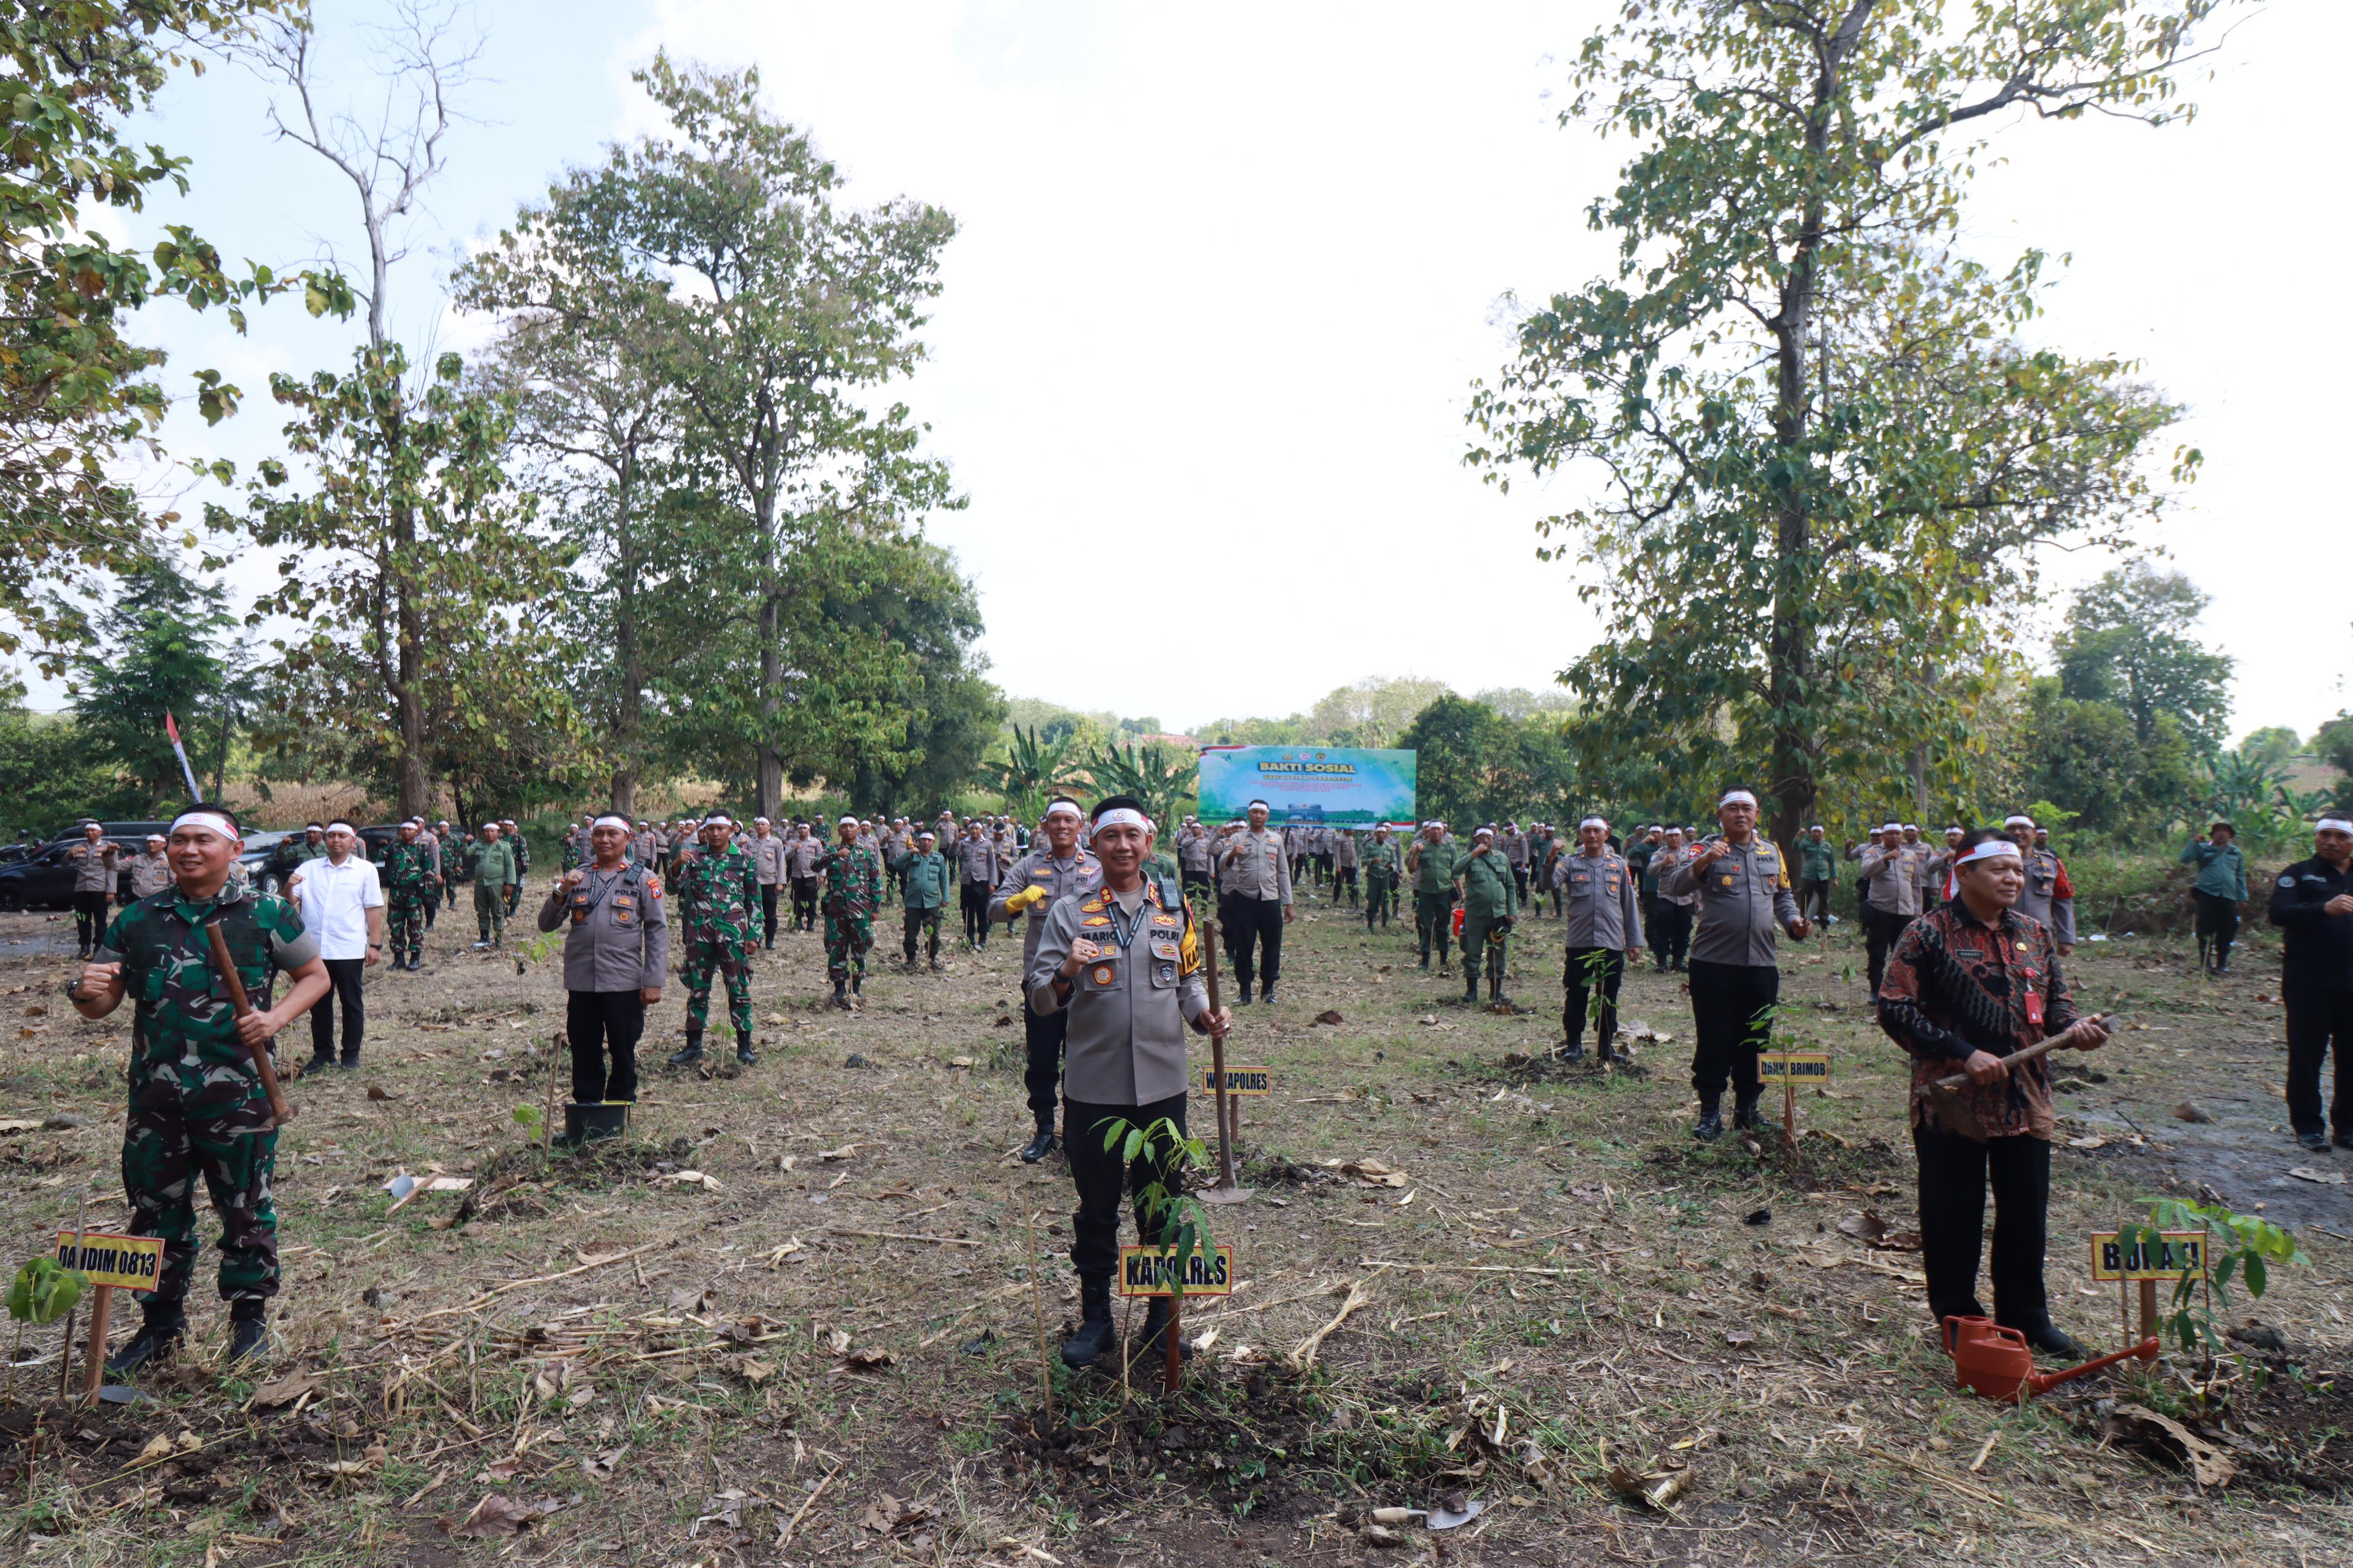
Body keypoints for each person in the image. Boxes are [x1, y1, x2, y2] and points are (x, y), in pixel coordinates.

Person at [70, 807, 331, 1369]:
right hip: (157, 1099)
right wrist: (81, 987)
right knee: (155, 1209)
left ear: (233, 851)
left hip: (238, 1094)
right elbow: (101, 1005)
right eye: (181, 840)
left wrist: (274, 1019)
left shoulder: (265, 913)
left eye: (203, 841)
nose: (189, 850)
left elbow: (315, 977)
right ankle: (159, 1329)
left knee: (245, 1207)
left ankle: (249, 1323)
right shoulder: (137, 919)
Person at [1878, 828, 2110, 1360]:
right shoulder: (1926, 934)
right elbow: (1894, 1009)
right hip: (1953, 1104)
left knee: (2026, 1212)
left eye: (2018, 869)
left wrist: (2078, 1030)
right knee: (1953, 1211)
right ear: (1963, 874)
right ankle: (1959, 1316)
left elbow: (2058, 1009)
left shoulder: (2034, 932)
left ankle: (2027, 1317)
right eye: (1999, 869)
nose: (2013, 878)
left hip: (2027, 1102)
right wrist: (1963, 1053)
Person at [1025, 796, 1230, 1368]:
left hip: (1163, 1086)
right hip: (1094, 1090)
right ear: (1094, 845)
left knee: (1161, 1205)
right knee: (1095, 1207)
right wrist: (1067, 969)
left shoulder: (1173, 909)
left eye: (1131, 837)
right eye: (1110, 836)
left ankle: (1161, 1320)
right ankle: (1096, 1321)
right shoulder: (1069, 913)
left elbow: (1186, 980)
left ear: (1147, 843)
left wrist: (1205, 1014)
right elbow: (1041, 1000)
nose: (1121, 846)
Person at [1659, 789, 1808, 1141]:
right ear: (1720, 815)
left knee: (1756, 1037)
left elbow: (1783, 896)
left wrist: (1795, 923)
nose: (1740, 814)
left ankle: (1748, 1109)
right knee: (1715, 1036)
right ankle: (1710, 1111)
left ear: (1757, 813)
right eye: (1733, 809)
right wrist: (1704, 861)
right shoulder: (1706, 847)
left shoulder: (1770, 851)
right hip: (1713, 963)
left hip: (1761, 962)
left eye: (1747, 808)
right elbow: (1674, 884)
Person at [992, 798, 1104, 1160]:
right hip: (1041, 980)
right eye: (1055, 821)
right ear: (1044, 826)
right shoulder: (1030, 865)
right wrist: (1017, 902)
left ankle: (1076, 1132)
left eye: (1068, 821)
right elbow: (994, 908)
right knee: (1042, 1058)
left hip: (1088, 981)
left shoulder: (1099, 868)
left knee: (1082, 1057)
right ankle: (1044, 1131)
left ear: (1081, 825)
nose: (1061, 827)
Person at [540, 814, 667, 1106]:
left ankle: (619, 1114)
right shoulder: (578, 877)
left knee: (623, 1050)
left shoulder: (644, 879)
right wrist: (562, 890)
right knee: (584, 1049)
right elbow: (546, 925)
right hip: (583, 981)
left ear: (628, 839)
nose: (605, 840)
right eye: (599, 834)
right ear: (591, 838)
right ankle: (587, 1113)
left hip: (623, 981)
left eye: (613, 834)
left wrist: (654, 981)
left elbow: (658, 930)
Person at [2268, 817, 2353, 1152]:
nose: (2331, 842)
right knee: (2307, 1056)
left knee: (2350, 1058)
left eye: (2341, 836)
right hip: (2309, 982)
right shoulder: (2298, 873)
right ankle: (2308, 1128)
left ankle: (2347, 1128)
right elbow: (2278, 913)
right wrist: (2323, 909)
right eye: (2324, 835)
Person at [285, 821, 385, 1072]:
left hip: (348, 948)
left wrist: (375, 945)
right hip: (314, 950)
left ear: (354, 842)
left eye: (342, 836)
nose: (336, 840)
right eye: (331, 836)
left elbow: (372, 908)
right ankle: (323, 1054)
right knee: (319, 1005)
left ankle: (351, 1055)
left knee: (351, 1003)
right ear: (325, 840)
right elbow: (289, 903)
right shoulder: (309, 868)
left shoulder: (365, 870)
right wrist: (288, 885)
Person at [668, 814, 761, 1066]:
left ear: (731, 830)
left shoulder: (745, 858)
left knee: (739, 989)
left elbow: (754, 900)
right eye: (711, 829)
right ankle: (693, 1047)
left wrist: (754, 935)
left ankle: (744, 1047)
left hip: (733, 935)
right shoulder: (694, 856)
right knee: (698, 991)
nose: (716, 833)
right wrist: (676, 865)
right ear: (705, 831)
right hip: (700, 935)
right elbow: (672, 888)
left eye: (721, 828)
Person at [1553, 816, 1641, 1061]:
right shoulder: (1570, 863)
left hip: (1611, 942)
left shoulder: (1618, 865)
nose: (1592, 836)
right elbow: (1547, 883)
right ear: (1580, 835)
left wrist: (1634, 941)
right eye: (1587, 831)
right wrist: (1550, 859)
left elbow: (1629, 904)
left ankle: (1605, 1047)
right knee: (1577, 994)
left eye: (1597, 831)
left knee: (1609, 996)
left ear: (1607, 834)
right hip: (1580, 943)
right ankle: (1574, 1045)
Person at [1217, 800, 1293, 1006]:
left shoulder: (1275, 839)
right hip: (1245, 899)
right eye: (1254, 812)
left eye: (1262, 813)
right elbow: (1222, 865)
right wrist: (1233, 853)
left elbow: (1283, 872)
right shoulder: (1237, 838)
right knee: (1244, 946)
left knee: (1272, 946)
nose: (1258, 816)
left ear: (1267, 817)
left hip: (1270, 900)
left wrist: (1289, 903)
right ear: (1249, 815)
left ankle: (1268, 991)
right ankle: (1245, 992)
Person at [816, 814, 884, 1010]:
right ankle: (839, 988)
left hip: (860, 910)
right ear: (839, 831)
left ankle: (857, 988)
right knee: (836, 950)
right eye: (844, 826)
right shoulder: (832, 851)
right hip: (837, 911)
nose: (848, 830)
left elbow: (876, 881)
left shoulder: (867, 853)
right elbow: (815, 865)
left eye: (851, 826)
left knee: (860, 949)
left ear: (858, 829)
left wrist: (875, 907)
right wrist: (834, 856)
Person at [1861, 819, 1925, 1002]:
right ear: (1883, 835)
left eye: (1898, 833)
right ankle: (1875, 990)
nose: (1895, 837)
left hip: (1905, 912)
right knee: (1877, 953)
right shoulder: (1873, 852)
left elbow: (1916, 884)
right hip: (1880, 910)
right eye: (1890, 833)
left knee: (1903, 954)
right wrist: (1884, 859)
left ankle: (1900, 990)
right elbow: (1865, 871)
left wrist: (1917, 912)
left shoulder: (1910, 855)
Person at [1454, 826, 1516, 1006]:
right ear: (1475, 840)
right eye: (1481, 837)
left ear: (1494, 839)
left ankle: (1496, 991)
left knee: (1498, 951)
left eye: (1489, 837)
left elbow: (1511, 886)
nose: (1486, 841)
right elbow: (1455, 871)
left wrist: (1512, 911)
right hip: (1475, 914)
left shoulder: (1501, 859)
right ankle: (1472, 991)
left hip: (1498, 915)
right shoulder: (1469, 859)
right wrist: (1474, 854)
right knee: (1473, 950)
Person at [2182, 821, 2247, 975]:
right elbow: (2185, 859)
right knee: (2205, 927)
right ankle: (2205, 963)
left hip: (2229, 895)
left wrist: (2242, 896)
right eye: (2218, 830)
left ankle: (2222, 964)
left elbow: (2240, 875)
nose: (2222, 833)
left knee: (2228, 928)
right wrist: (2194, 843)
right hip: (2207, 893)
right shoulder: (2203, 849)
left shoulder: (2235, 853)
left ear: (2230, 835)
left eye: (2225, 831)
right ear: (2213, 834)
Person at [2005, 815, 2077, 954]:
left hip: (2041, 938)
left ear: (2034, 834)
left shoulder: (2051, 863)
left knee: (2041, 975)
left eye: (2023, 828)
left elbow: (2063, 901)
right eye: (2011, 828)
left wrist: (2066, 938)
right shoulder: (1993, 863)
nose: (2017, 832)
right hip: (2003, 935)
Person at [378, 820, 434, 971]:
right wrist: (384, 846)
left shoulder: (422, 849)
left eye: (410, 830)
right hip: (396, 894)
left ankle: (415, 958)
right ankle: (399, 959)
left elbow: (429, 872)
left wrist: (428, 893)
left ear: (416, 832)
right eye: (403, 830)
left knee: (415, 927)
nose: (406, 832)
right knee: (396, 926)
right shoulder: (394, 847)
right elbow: (379, 857)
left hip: (414, 895)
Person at [895, 829, 951, 970]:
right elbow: (896, 865)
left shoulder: (938, 858)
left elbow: (944, 879)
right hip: (913, 901)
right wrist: (909, 853)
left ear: (933, 842)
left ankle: (932, 959)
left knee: (933, 931)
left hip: (931, 902)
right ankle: (911, 959)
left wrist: (946, 897)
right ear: (918, 842)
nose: (926, 843)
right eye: (923, 840)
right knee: (911, 931)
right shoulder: (913, 856)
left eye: (929, 840)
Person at [1407, 821, 1458, 973]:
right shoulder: (1421, 847)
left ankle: (1443, 958)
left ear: (1444, 832)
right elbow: (1411, 869)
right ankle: (1425, 959)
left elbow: (1456, 871)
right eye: (1433, 829)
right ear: (1427, 831)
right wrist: (1415, 853)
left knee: (1443, 927)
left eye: (1439, 829)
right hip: (1426, 892)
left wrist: (1461, 892)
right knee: (1426, 926)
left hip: (1445, 891)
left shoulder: (1450, 848)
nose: (1436, 832)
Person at [65, 821, 119, 958]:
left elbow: (112, 869)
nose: (89, 833)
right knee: (82, 919)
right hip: (82, 888)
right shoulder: (78, 847)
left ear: (101, 832)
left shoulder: (108, 847)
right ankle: (84, 947)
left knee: (100, 920)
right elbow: (63, 863)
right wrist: (70, 855)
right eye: (87, 831)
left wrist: (111, 890)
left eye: (93, 830)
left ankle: (99, 948)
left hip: (99, 888)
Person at [460, 822, 517, 949]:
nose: (490, 834)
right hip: (480, 884)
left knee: (498, 911)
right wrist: (464, 842)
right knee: (482, 911)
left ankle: (498, 939)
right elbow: (466, 854)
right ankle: (485, 938)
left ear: (498, 833)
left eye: (492, 831)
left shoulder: (504, 847)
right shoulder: (479, 846)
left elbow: (510, 866)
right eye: (487, 831)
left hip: (496, 883)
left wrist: (511, 884)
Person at [1649, 826, 1695, 971]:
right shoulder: (1660, 854)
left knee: (1683, 930)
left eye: (1677, 835)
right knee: (1662, 930)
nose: (1674, 838)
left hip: (1686, 898)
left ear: (1682, 837)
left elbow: (1697, 876)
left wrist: (1698, 899)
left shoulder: (1689, 853)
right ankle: (1661, 962)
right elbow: (1650, 871)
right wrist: (1663, 863)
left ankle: (1678, 961)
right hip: (1666, 897)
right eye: (1670, 836)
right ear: (1665, 838)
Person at [956, 818, 999, 950]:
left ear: (982, 830)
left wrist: (993, 883)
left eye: (977, 828)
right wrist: (956, 841)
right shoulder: (964, 843)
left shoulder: (987, 844)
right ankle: (970, 937)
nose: (974, 831)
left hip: (981, 881)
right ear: (969, 829)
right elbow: (952, 854)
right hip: (967, 882)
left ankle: (983, 939)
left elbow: (992, 864)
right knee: (967, 910)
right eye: (972, 828)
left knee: (982, 910)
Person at [1795, 824, 1837, 926]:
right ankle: (1804, 921)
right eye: (1814, 832)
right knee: (1805, 899)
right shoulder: (1806, 843)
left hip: (1823, 876)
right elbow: (1795, 847)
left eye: (1819, 832)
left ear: (1823, 834)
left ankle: (1824, 923)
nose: (1817, 834)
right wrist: (1799, 835)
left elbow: (1832, 863)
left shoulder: (1827, 846)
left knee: (1823, 900)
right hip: (1808, 876)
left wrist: (1835, 878)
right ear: (1811, 833)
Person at [1362, 825, 1401, 931]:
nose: (1381, 834)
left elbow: (1394, 862)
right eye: (1379, 832)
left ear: (1386, 834)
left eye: (1383, 833)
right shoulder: (1370, 846)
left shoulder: (1389, 847)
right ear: (1375, 834)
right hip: (1373, 876)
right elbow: (1363, 860)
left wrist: (1391, 867)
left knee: (1386, 898)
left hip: (1385, 876)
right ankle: (1370, 922)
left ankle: (1384, 921)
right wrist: (1371, 861)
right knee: (1372, 898)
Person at [786, 821, 822, 933]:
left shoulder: (816, 842)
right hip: (797, 876)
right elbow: (786, 857)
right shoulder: (792, 843)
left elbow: (821, 859)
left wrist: (822, 875)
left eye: (804, 829)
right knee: (797, 899)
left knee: (811, 899)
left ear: (809, 830)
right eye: (800, 828)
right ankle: (799, 922)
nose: (802, 830)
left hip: (811, 875)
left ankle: (811, 922)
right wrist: (795, 849)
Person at [128, 833, 173, 900]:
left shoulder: (169, 861)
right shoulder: (138, 859)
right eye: (149, 842)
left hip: (158, 900)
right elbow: (114, 866)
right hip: (137, 900)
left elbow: (174, 884)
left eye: (154, 842)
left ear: (164, 844)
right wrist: (111, 854)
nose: (151, 845)